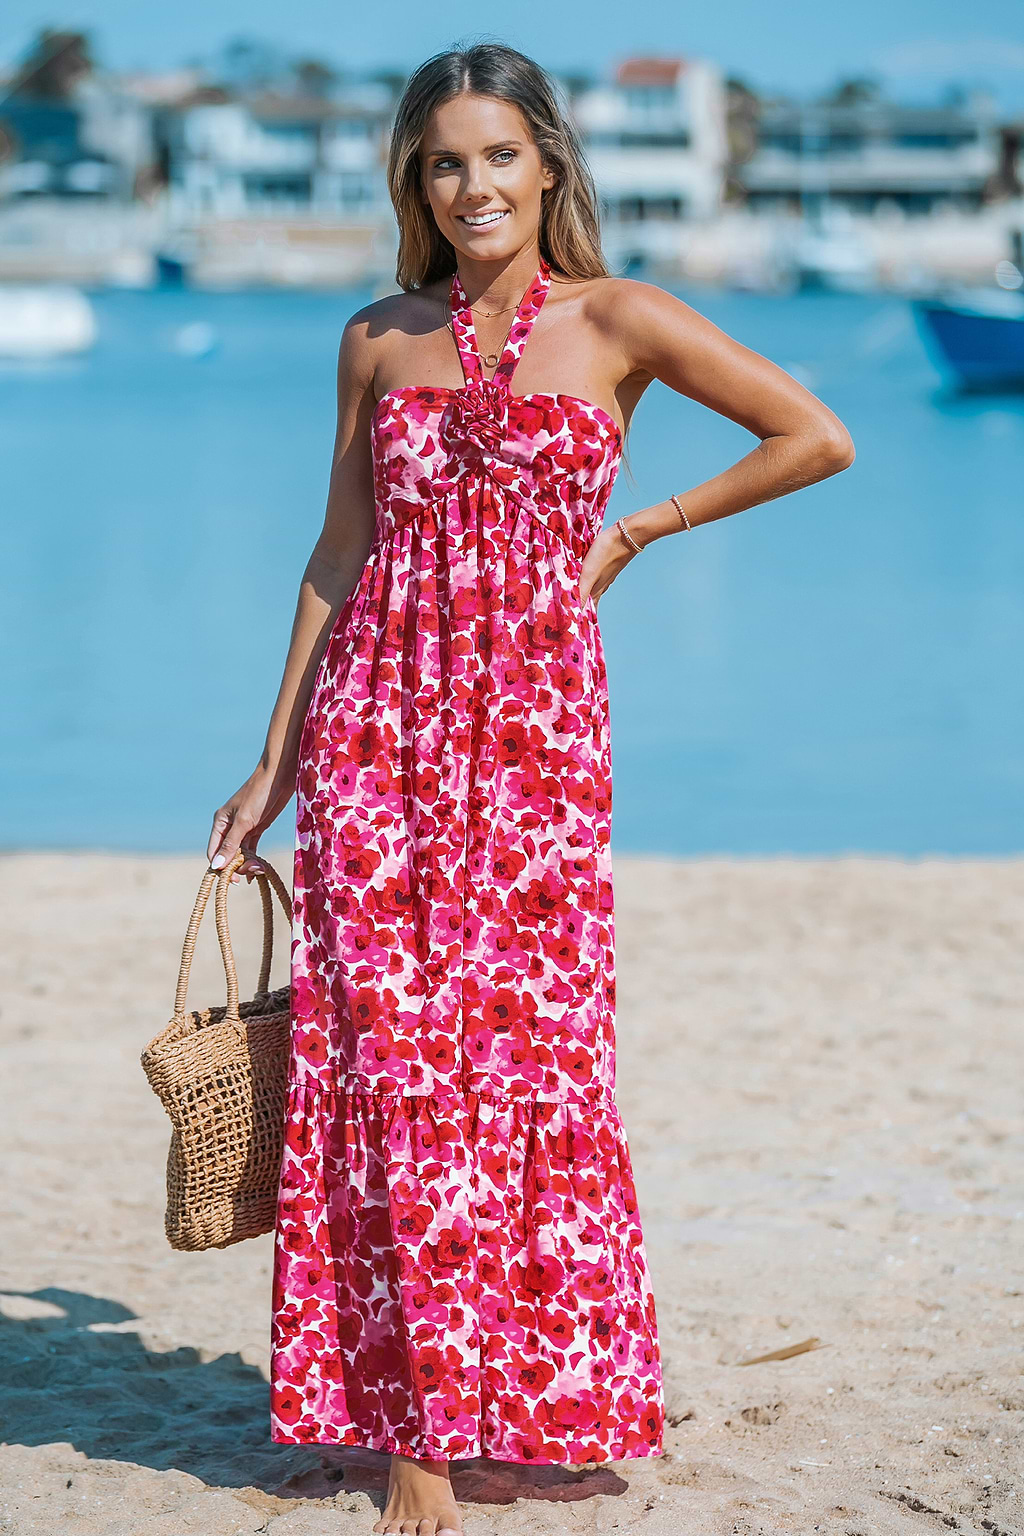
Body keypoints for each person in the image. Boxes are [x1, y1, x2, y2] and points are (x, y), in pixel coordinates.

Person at [207, 41, 854, 1536]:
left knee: (528, 1060)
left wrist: (639, 531)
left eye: (500, 156)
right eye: (445, 162)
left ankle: (524, 1392)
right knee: (387, 1060)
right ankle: (415, 1435)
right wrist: (276, 757)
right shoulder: (380, 336)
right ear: (414, 185)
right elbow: (336, 559)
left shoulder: (621, 321)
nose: (475, 185)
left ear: (549, 165)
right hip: (379, 729)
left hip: (539, 747)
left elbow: (813, 435)